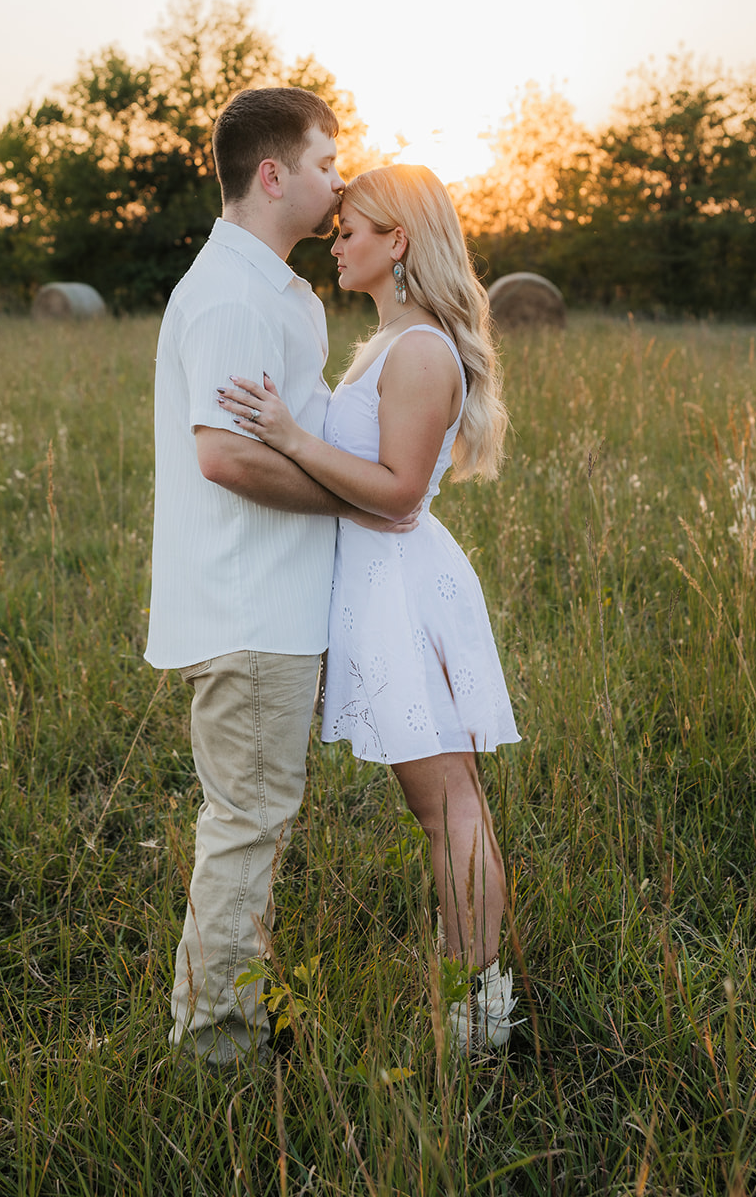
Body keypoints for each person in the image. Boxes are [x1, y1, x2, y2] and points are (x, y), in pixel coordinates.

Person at [217, 163, 523, 1054]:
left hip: (401, 592)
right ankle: (476, 993)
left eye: (353, 228)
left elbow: (396, 495)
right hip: (379, 586)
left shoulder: (422, 349)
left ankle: (478, 1014)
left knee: (449, 808)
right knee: (450, 804)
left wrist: (288, 436)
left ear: (398, 242)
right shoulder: (391, 343)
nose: (337, 239)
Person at [145, 86, 408, 1068]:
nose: (338, 180)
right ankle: (217, 1045)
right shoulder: (226, 294)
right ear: (271, 174)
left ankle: (234, 1007)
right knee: (246, 824)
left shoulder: (274, 289)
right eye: (324, 162)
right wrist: (360, 499)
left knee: (253, 820)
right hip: (246, 607)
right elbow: (225, 455)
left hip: (272, 605)